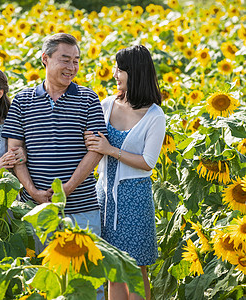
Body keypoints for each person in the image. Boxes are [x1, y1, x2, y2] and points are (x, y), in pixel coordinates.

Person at [1, 33, 107, 299]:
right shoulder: (23, 101)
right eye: (65, 60)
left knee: (88, 282)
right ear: (45, 59)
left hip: (82, 207)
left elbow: (95, 152)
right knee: (44, 283)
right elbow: (15, 151)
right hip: (36, 210)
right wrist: (34, 191)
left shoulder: (88, 99)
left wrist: (67, 188)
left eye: (76, 61)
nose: (72, 67)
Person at [84, 45, 166, 300]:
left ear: (136, 72)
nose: (115, 73)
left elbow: (148, 162)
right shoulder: (107, 104)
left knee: (135, 267)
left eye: (120, 69)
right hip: (105, 195)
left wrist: (110, 149)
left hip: (135, 198)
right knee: (113, 269)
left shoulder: (154, 115)